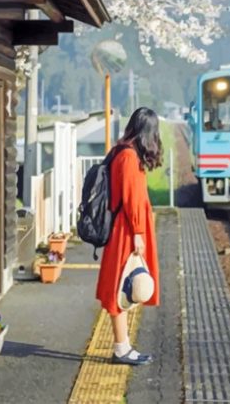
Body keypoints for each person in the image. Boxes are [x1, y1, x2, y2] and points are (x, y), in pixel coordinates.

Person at [95, 107, 162, 366]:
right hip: (128, 230)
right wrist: (138, 233)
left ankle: (123, 346)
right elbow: (133, 200)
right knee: (123, 286)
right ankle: (122, 348)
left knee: (123, 285)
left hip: (126, 228)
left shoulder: (123, 152)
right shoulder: (129, 158)